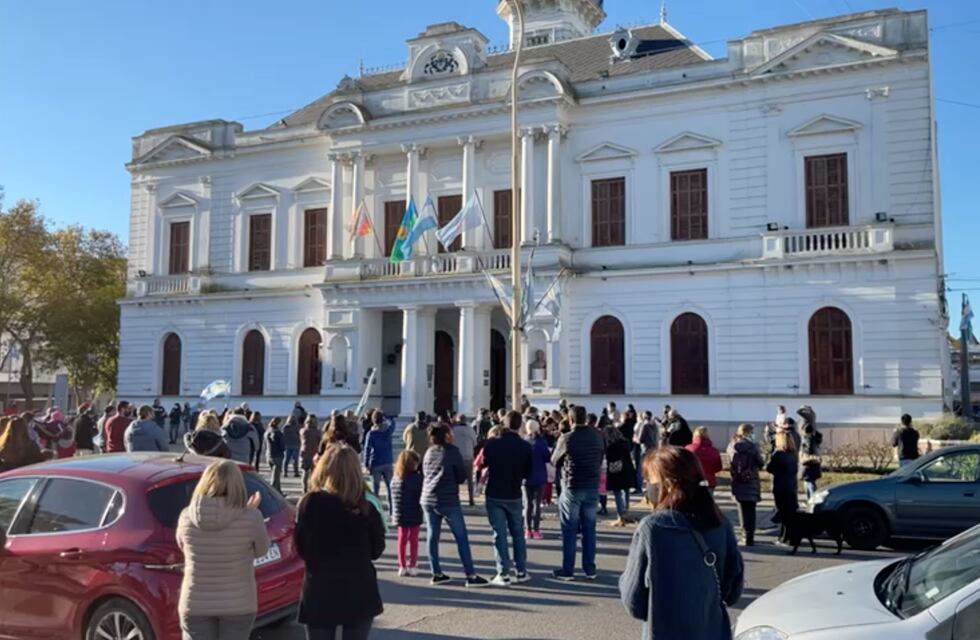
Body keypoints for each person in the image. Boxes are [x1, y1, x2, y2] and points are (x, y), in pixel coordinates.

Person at [619, 447, 744, 640]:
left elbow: (634, 602)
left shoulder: (653, 528)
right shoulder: (720, 523)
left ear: (667, 485)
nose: (647, 487)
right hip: (712, 630)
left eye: (650, 481)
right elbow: (732, 592)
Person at [295, 443, 385, 640]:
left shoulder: (310, 504)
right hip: (359, 589)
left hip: (320, 589)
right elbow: (376, 551)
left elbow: (301, 547)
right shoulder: (366, 508)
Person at [176, 459, 269, 640]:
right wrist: (249, 513)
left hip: (195, 602)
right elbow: (261, 550)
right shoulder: (252, 517)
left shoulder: (186, 516)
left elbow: (183, 547)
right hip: (238, 603)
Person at [421, 423, 489, 587]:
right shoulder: (452, 451)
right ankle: (470, 574)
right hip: (448, 499)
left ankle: (436, 572)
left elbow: (424, 472)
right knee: (461, 537)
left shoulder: (429, 451)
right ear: (446, 436)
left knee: (432, 536)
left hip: (428, 497)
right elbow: (461, 477)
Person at [551, 405, 605, 581]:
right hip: (592, 485)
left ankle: (568, 570)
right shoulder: (598, 435)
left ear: (571, 419)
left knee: (569, 529)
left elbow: (554, 460)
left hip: (573, 485)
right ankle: (590, 568)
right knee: (590, 528)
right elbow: (601, 455)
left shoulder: (566, 437)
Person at [479, 410, 532, 586]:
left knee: (499, 534)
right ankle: (521, 570)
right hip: (514, 493)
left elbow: (483, 464)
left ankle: (503, 573)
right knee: (518, 533)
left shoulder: (492, 443)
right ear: (520, 425)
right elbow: (528, 472)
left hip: (494, 492)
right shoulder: (525, 446)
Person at [727, 424, 764, 546]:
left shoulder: (732, 446)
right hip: (751, 480)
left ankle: (744, 536)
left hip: (738, 481)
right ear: (748, 432)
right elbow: (761, 463)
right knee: (751, 510)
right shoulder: (753, 447)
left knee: (742, 510)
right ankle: (751, 536)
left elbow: (730, 462)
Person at [391, 449, 423, 577]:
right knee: (414, 539)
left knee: (402, 539)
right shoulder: (418, 478)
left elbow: (393, 497)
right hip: (414, 511)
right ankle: (413, 564)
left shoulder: (396, 478)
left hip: (400, 513)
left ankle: (402, 565)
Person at [766, 430, 800, 544]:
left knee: (783, 513)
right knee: (790, 512)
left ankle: (785, 537)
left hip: (781, 487)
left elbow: (769, 468)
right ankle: (788, 536)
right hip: (791, 487)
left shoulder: (779, 454)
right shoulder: (793, 454)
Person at [524, 419, 550, 539]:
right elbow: (547, 458)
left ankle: (527, 530)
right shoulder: (542, 442)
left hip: (526, 477)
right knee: (537, 504)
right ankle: (536, 530)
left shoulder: (524, 442)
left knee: (528, 504)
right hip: (539, 476)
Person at [364, 410, 394, 513]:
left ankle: (377, 510)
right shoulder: (388, 430)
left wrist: (366, 463)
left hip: (376, 462)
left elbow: (367, 449)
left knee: (376, 489)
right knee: (390, 488)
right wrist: (386, 415)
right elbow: (392, 422)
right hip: (388, 462)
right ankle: (392, 510)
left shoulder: (371, 433)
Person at [605, 425, 636, 527]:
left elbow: (609, 458)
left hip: (617, 472)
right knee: (626, 491)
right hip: (627, 469)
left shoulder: (611, 446)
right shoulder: (625, 442)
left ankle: (620, 516)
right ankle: (625, 512)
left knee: (617, 493)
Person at [685, 427, 723, 494]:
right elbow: (718, 467)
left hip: (692, 482)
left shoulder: (688, 449)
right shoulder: (714, 451)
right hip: (709, 481)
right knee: (708, 503)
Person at [451, 413, 478, 506]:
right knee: (470, 479)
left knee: (455, 479)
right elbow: (475, 443)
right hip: (468, 456)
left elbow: (451, 443)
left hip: (457, 457)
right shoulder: (470, 430)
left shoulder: (453, 430)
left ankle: (456, 499)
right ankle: (471, 498)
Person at [299, 415, 321, 492]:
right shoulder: (318, 432)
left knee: (305, 472)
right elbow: (319, 442)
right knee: (313, 472)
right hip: (314, 453)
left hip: (304, 452)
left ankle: (304, 489)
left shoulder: (303, 431)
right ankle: (312, 488)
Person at [265, 418, 285, 492]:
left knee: (275, 475)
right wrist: (283, 450)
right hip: (277, 455)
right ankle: (272, 491)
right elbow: (282, 445)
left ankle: (279, 491)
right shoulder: (278, 433)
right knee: (275, 476)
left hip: (269, 454)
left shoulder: (267, 432)